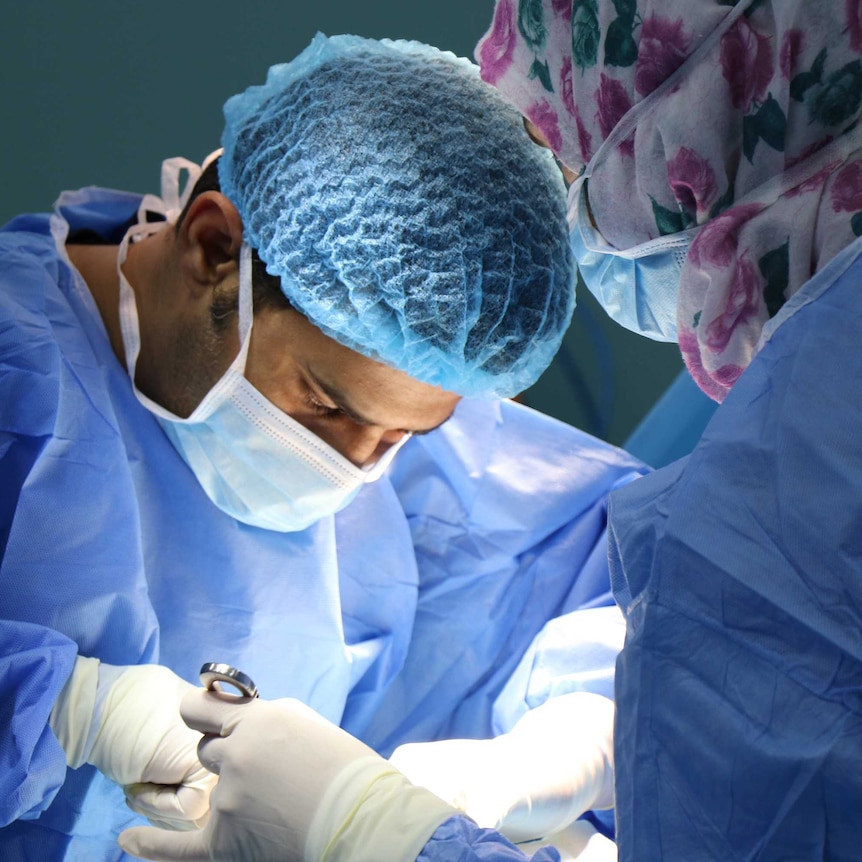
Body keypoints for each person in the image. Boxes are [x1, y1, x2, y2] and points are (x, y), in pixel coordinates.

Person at [123, 1, 862, 860]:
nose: (357, 468)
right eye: (327, 407)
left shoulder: (824, 418)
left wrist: (381, 833)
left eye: (583, 168)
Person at [0, 32, 648, 861]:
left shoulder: (412, 418)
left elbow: (624, 587)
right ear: (213, 249)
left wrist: (572, 744)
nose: (358, 464)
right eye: (325, 407)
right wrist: (70, 709)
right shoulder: (25, 376)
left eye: (407, 434)